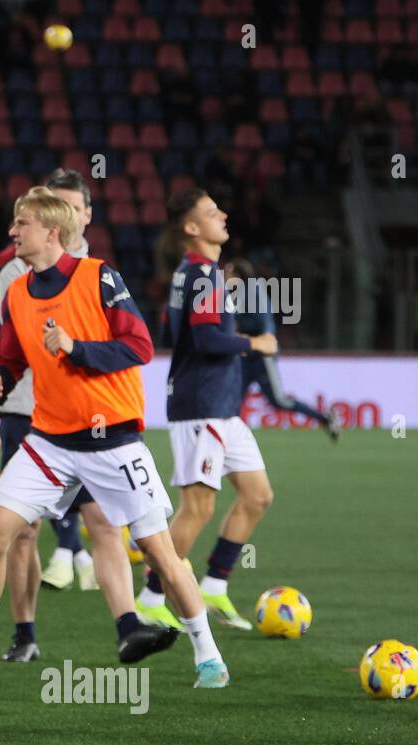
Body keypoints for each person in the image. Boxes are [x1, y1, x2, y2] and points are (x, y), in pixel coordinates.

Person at [0, 188, 230, 689]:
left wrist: (78, 349)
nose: (12, 232)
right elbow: (12, 359)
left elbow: (138, 346)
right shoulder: (18, 293)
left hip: (113, 441)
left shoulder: (99, 276)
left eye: (21, 224)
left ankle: (208, 653)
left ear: (52, 233)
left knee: (159, 551)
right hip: (49, 440)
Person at [135, 191, 277, 632]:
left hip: (220, 406)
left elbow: (169, 330)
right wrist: (255, 343)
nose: (224, 215)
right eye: (213, 213)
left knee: (257, 495)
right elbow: (206, 341)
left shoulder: (193, 274)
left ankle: (214, 584)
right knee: (197, 508)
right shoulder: (201, 276)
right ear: (192, 229)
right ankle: (151, 597)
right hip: (202, 408)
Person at [227, 256, 339, 439]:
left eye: (229, 272)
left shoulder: (253, 291)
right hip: (246, 356)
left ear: (239, 274)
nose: (226, 276)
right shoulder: (237, 293)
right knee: (233, 402)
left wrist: (262, 342)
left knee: (279, 401)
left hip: (261, 358)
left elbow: (265, 323)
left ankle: (324, 418)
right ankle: (231, 441)